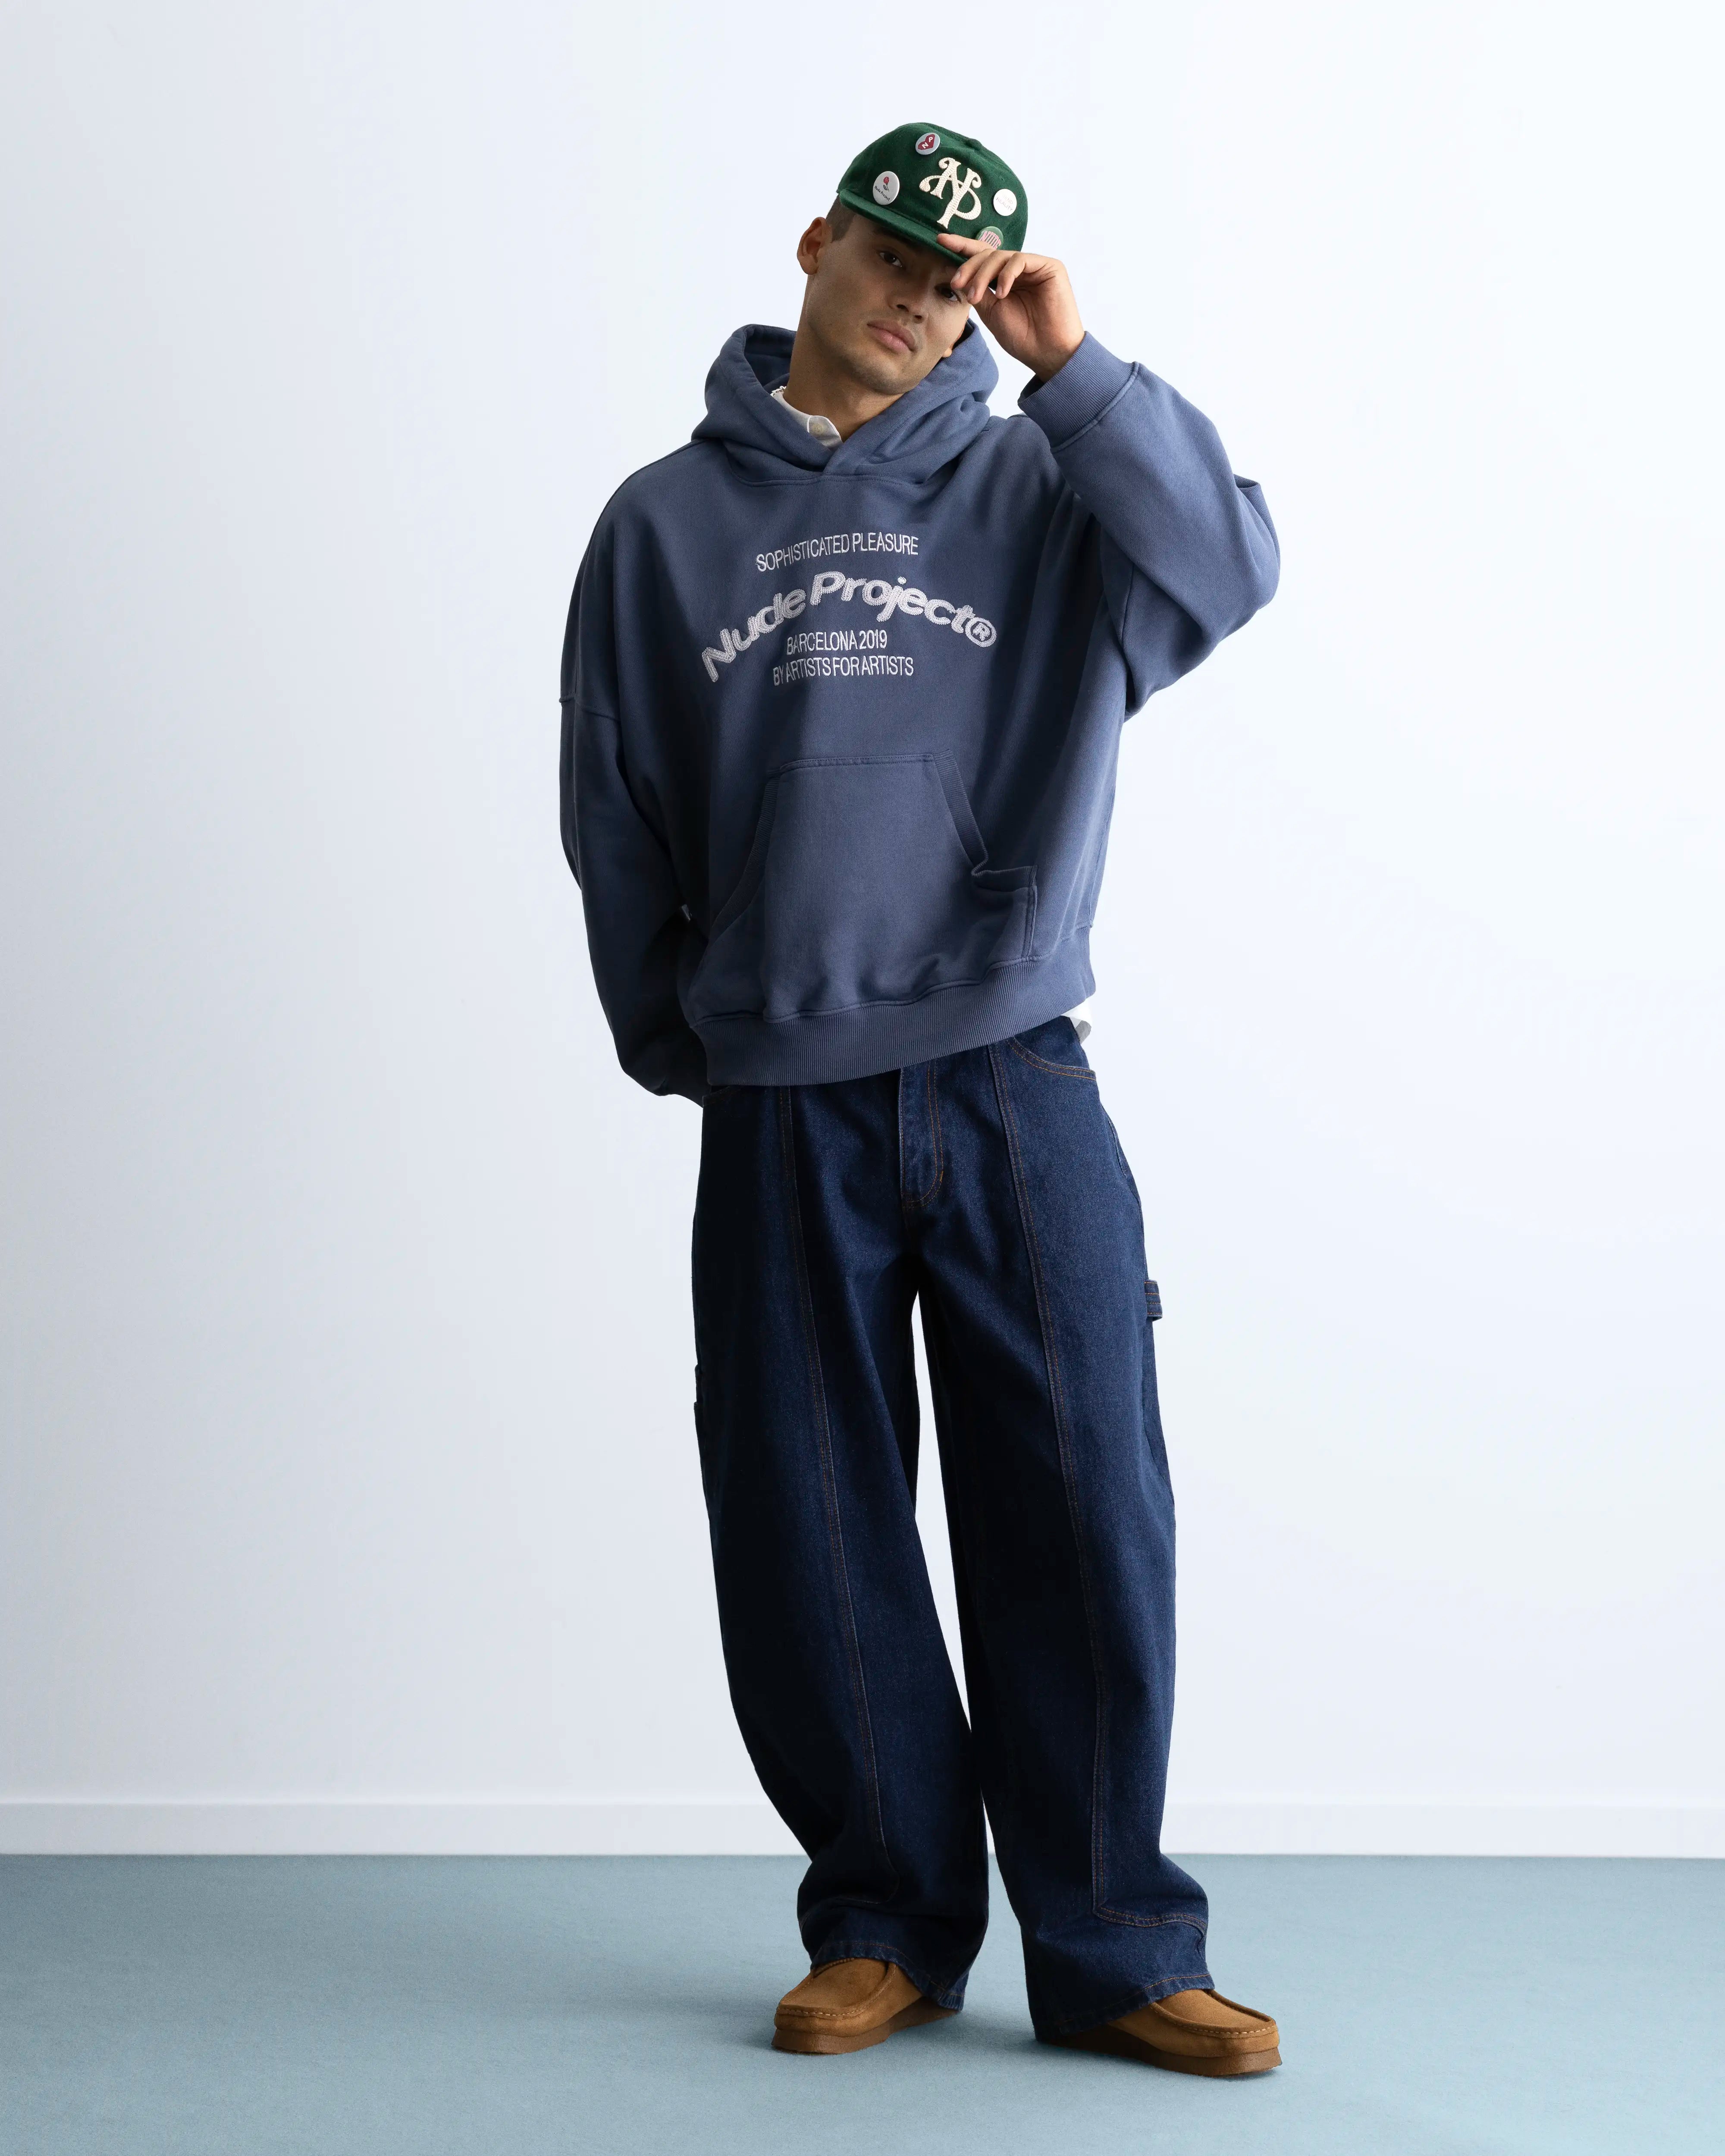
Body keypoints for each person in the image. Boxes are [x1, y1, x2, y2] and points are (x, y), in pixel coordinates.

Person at [560, 122, 1281, 2076]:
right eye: (893, 255)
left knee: (1083, 1501)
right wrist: (689, 1036)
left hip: (1010, 1065)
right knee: (806, 1516)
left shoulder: (1049, 480)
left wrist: (1075, 366)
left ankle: (1116, 1946)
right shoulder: (661, 522)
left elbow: (1232, 567)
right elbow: (617, 800)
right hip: (778, 1088)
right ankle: (882, 1919)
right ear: (820, 240)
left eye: (958, 282)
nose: (918, 302)